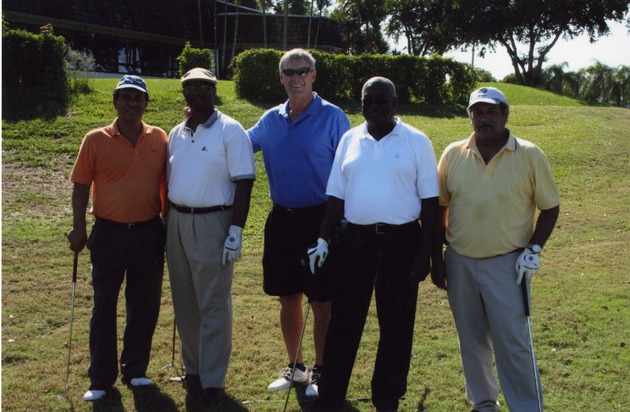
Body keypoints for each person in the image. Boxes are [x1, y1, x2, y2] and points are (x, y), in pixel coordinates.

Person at [310, 76, 440, 411]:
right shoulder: (350, 139)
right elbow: (336, 196)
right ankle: (331, 396)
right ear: (362, 102)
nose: (374, 107)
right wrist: (324, 237)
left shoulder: (416, 141)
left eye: (382, 100)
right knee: (344, 322)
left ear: (395, 102)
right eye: (368, 100)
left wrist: (425, 255)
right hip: (356, 241)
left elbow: (430, 204)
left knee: (396, 325)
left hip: (402, 241)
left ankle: (387, 398)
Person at [431, 87, 560, 412]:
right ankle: (484, 403)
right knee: (471, 342)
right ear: (470, 115)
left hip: (509, 264)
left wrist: (534, 249)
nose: (484, 118)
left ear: (505, 115)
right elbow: (440, 206)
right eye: (478, 111)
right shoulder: (453, 153)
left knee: (512, 343)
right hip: (460, 262)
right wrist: (440, 255)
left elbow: (551, 207)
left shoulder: (530, 154)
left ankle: (526, 406)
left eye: (491, 111)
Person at [247, 48, 351, 397]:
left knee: (321, 300)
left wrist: (339, 224)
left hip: (320, 220)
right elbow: (240, 144)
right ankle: (297, 368)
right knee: (287, 297)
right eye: (289, 72)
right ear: (281, 77)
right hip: (281, 219)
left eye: (302, 71)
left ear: (313, 75)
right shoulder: (271, 119)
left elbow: (348, 171)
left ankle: (321, 371)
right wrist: (201, 122)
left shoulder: (334, 117)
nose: (296, 78)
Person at [66, 75, 168, 401]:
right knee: (104, 307)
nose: (131, 103)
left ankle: (135, 370)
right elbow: (81, 186)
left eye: (137, 98)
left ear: (146, 104)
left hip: (149, 232)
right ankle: (100, 379)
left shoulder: (160, 138)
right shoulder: (95, 139)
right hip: (108, 233)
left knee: (144, 305)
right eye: (125, 97)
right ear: (115, 101)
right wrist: (79, 227)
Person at [166, 67, 255, 405]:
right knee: (185, 300)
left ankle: (214, 379)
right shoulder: (176, 132)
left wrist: (236, 230)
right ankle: (194, 370)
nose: (198, 92)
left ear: (214, 91)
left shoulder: (231, 131)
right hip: (176, 220)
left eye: (205, 87)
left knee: (213, 303)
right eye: (191, 87)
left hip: (213, 222)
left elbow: (244, 182)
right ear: (184, 92)